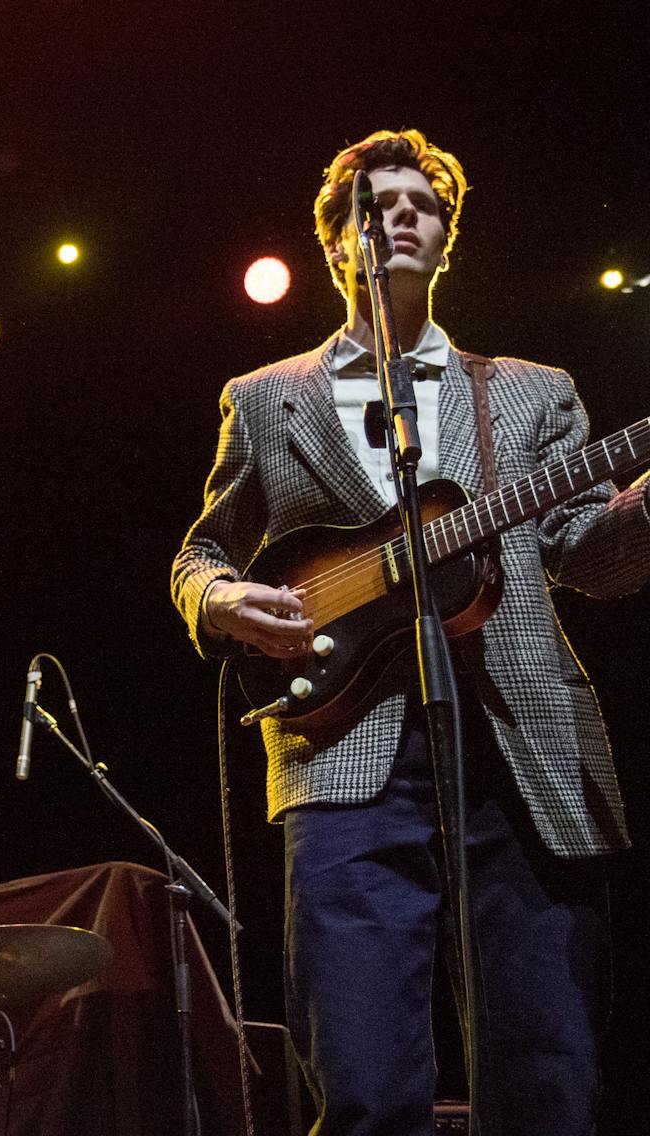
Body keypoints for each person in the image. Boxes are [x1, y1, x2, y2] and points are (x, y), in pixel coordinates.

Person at [170, 129, 650, 1135]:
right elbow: (199, 551)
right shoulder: (263, 400)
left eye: (419, 203)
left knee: (545, 1072)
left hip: (520, 748)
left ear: (444, 239)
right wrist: (217, 600)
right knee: (361, 1076)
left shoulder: (529, 389)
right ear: (334, 241)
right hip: (341, 754)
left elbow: (588, 557)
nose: (396, 214)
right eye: (369, 203)